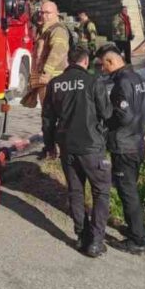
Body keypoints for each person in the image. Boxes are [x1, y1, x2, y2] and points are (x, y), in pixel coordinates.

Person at [42, 46, 113, 257]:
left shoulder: (55, 84)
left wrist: (49, 145)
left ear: (68, 61)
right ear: (85, 61)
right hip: (92, 147)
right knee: (101, 192)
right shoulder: (93, 82)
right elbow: (107, 112)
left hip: (67, 147)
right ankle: (96, 241)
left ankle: (81, 236)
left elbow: (47, 119)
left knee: (75, 191)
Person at [100, 48, 145, 255]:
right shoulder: (138, 79)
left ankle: (137, 241)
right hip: (138, 143)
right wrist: (139, 127)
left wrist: (107, 127)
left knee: (127, 191)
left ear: (111, 61)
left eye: (102, 65)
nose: (102, 70)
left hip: (124, 146)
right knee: (131, 190)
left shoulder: (121, 83)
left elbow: (122, 115)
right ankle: (139, 229)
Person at [24, 1, 70, 115]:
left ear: (56, 14)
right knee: (46, 112)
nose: (44, 15)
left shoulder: (57, 30)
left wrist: (47, 72)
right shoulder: (46, 30)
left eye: (48, 13)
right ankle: (47, 132)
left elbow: (58, 51)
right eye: (42, 13)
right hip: (44, 80)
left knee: (51, 114)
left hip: (53, 79)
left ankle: (51, 132)